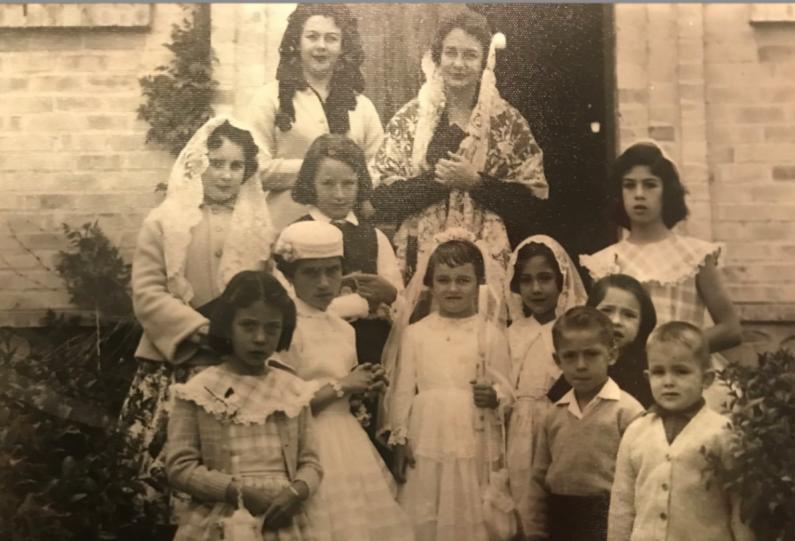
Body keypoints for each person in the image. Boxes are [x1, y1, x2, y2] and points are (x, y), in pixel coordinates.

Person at [118, 116, 274, 525]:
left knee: (229, 472)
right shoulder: (165, 221)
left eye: (235, 166)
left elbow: (267, 293)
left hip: (233, 365)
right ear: (197, 165)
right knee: (175, 466)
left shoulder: (258, 227)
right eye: (216, 163)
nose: (224, 175)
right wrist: (200, 329)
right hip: (178, 361)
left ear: (247, 171)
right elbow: (148, 292)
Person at [371, 8, 549, 288]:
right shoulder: (410, 119)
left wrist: (476, 182)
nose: (458, 64)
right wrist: (439, 182)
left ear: (484, 62)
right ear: (437, 58)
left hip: (486, 258)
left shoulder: (507, 121)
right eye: (450, 53)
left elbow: (533, 201)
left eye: (469, 55)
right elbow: (382, 199)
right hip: (421, 257)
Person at [273, 221, 413, 541]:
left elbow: (345, 393)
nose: (324, 283)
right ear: (290, 275)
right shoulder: (283, 326)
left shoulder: (344, 329)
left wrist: (364, 386)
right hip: (302, 445)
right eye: (311, 273)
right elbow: (283, 405)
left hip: (346, 441)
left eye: (332, 271)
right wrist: (345, 385)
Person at [166, 271, 330, 541]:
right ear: (228, 326)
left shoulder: (293, 389)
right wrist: (234, 491)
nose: (260, 338)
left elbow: (311, 462)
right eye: (248, 326)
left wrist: (297, 490)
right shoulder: (200, 390)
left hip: (282, 517)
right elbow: (180, 467)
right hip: (224, 518)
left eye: (272, 328)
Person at [384, 228, 513, 541]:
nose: (453, 288)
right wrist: (399, 438)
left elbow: (507, 390)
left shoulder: (490, 334)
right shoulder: (416, 333)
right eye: (443, 280)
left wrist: (494, 396)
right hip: (426, 432)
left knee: (469, 509)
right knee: (426, 508)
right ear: (430, 284)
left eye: (463, 280)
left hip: (474, 435)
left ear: (478, 285)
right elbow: (401, 390)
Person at [291, 134, 404, 454]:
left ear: (360, 184)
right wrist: (362, 303)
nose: (339, 195)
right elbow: (293, 305)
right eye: (328, 184)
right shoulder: (296, 234)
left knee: (370, 437)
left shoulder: (374, 237)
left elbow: (398, 299)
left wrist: (390, 295)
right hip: (319, 355)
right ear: (311, 183)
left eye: (349, 184)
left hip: (371, 349)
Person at [580, 140, 741, 352]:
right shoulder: (604, 263)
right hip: (626, 376)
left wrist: (677, 348)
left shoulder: (695, 256)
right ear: (619, 194)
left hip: (683, 371)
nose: (639, 194)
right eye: (629, 185)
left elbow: (730, 329)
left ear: (667, 192)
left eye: (650, 184)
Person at [608, 322, 755, 541]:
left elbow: (739, 508)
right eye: (659, 372)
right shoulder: (636, 432)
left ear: (706, 379)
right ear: (648, 378)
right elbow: (622, 506)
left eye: (681, 371)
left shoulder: (723, 433)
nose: (668, 382)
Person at [243, 3, 384, 230]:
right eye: (312, 37)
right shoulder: (268, 99)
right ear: (297, 43)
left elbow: (377, 167)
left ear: (342, 47)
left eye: (331, 39)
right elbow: (253, 167)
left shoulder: (362, 107)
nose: (321, 46)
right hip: (284, 228)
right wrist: (315, 169)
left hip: (347, 229)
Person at [524, 307, 644, 541]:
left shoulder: (628, 412)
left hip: (607, 521)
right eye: (570, 356)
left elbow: (639, 482)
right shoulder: (553, 414)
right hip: (560, 520)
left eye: (591, 354)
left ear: (611, 355)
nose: (580, 365)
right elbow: (538, 479)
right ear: (557, 360)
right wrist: (535, 531)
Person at [502, 235, 587, 538]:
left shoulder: (571, 331)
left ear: (561, 280)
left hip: (559, 427)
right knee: (523, 506)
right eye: (526, 280)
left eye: (545, 278)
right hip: (519, 432)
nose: (536, 289)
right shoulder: (512, 333)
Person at [548, 273, 657, 408]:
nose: (616, 321)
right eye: (607, 311)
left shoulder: (648, 369)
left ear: (643, 322)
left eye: (629, 315)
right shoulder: (580, 365)